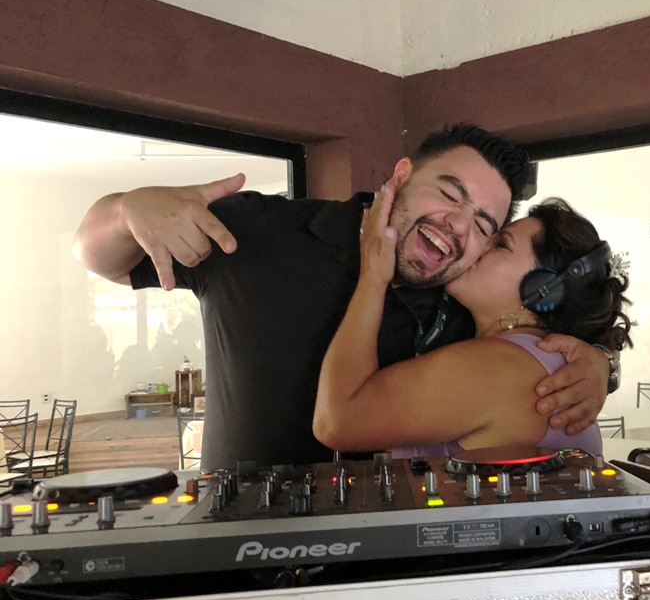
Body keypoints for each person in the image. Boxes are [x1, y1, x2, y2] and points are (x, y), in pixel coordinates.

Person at [73, 124, 615, 468]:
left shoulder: (462, 300)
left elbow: (535, 347)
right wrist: (124, 210)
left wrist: (598, 364)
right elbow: (103, 262)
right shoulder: (261, 231)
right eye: (450, 194)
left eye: (484, 225)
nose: (458, 225)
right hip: (239, 547)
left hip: (375, 577)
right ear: (402, 175)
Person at [314, 189, 632, 458]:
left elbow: (338, 421)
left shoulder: (502, 367)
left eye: (501, 244)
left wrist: (373, 275)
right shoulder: (536, 357)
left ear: (543, 290)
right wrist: (605, 359)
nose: (476, 245)